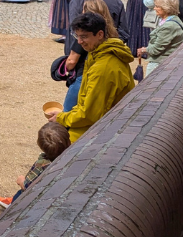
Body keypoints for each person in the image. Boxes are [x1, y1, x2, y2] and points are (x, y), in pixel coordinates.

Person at [50, 12, 135, 142]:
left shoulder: (103, 67)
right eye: (76, 36)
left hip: (97, 134)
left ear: (100, 34)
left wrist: (62, 118)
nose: (79, 42)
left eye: (84, 37)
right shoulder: (98, 52)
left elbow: (89, 115)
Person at [0, 122, 71, 209]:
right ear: (68, 140)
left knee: (20, 195)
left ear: (40, 144)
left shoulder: (43, 164)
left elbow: (29, 187)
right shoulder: (68, 156)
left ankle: (12, 205)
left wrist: (22, 181)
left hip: (32, 200)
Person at [137, 0, 183, 74]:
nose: (154, 8)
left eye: (157, 6)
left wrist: (144, 50)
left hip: (160, 64)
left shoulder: (168, 26)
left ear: (166, 8)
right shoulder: (175, 19)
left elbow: (156, 49)